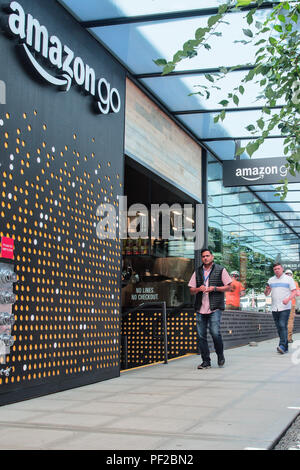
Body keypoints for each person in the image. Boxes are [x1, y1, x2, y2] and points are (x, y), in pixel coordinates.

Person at [188, 248, 232, 369]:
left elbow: (228, 287)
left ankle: (220, 355)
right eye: (203, 256)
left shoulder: (220, 270)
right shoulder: (197, 271)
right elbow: (191, 290)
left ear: (212, 257)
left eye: (207, 256)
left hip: (215, 308)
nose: (205, 258)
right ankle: (206, 361)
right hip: (200, 308)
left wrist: (214, 288)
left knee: (215, 333)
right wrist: (198, 289)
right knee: (201, 336)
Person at [264, 263, 297, 354]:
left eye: (278, 268)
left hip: (285, 307)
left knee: (282, 325)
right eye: (275, 269)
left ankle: (282, 345)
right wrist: (266, 289)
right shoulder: (271, 280)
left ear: (282, 269)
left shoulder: (288, 279)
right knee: (279, 327)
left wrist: (288, 299)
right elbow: (266, 293)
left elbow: (294, 292)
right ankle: (285, 347)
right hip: (274, 307)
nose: (276, 270)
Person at [285, 269, 299, 343]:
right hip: (291, 304)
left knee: (283, 321)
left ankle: (283, 337)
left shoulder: (282, 282)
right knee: (290, 321)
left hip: (283, 304)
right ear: (292, 275)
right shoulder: (295, 283)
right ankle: (288, 338)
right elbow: (298, 294)